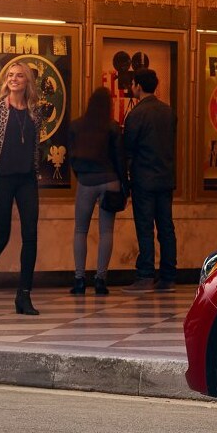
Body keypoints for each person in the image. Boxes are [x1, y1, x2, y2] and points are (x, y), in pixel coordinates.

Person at [0, 63, 45, 317]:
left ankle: (24, 295)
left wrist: (34, 173)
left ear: (27, 81)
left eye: (19, 76)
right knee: (1, 237)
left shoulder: (34, 112)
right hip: (2, 179)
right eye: (10, 76)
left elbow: (35, 147)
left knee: (31, 236)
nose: (14, 79)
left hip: (27, 180)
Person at [122, 68, 177, 292]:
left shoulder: (136, 114)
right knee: (166, 227)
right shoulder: (168, 112)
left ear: (137, 85)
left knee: (145, 227)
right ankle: (168, 276)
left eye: (133, 83)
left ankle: (145, 275)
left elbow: (129, 148)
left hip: (144, 179)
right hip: (166, 178)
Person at [70, 88, 125, 295]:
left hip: (86, 180)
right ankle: (101, 280)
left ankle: (79, 280)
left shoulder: (76, 125)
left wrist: (81, 176)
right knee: (106, 232)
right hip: (110, 180)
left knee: (80, 230)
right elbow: (119, 158)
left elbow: (72, 158)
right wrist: (124, 186)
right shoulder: (112, 127)